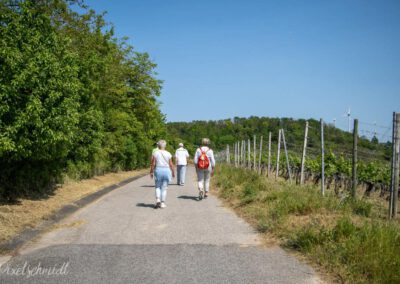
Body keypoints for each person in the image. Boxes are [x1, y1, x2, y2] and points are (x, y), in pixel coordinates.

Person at [150, 140, 175, 209]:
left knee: (157, 186)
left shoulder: (155, 153)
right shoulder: (168, 153)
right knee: (164, 188)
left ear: (158, 145)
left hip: (158, 170)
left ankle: (158, 199)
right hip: (167, 170)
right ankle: (162, 203)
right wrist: (173, 172)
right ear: (165, 146)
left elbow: (153, 164)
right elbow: (171, 164)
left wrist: (151, 172)